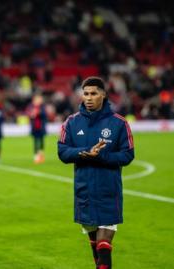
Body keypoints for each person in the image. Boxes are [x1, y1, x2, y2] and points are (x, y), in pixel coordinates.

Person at [58, 77, 135, 269]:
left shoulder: (119, 123)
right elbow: (62, 151)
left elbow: (128, 155)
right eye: (86, 94)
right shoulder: (72, 122)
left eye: (93, 93)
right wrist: (83, 153)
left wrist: (102, 156)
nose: (89, 98)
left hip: (108, 190)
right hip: (84, 191)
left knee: (104, 244)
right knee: (95, 245)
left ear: (103, 94)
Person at [28, 94, 47, 164]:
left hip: (41, 127)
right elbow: (29, 115)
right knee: (35, 141)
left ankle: (41, 155)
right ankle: (36, 156)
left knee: (42, 141)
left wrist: (39, 113)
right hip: (34, 127)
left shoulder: (42, 107)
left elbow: (45, 115)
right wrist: (31, 115)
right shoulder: (31, 107)